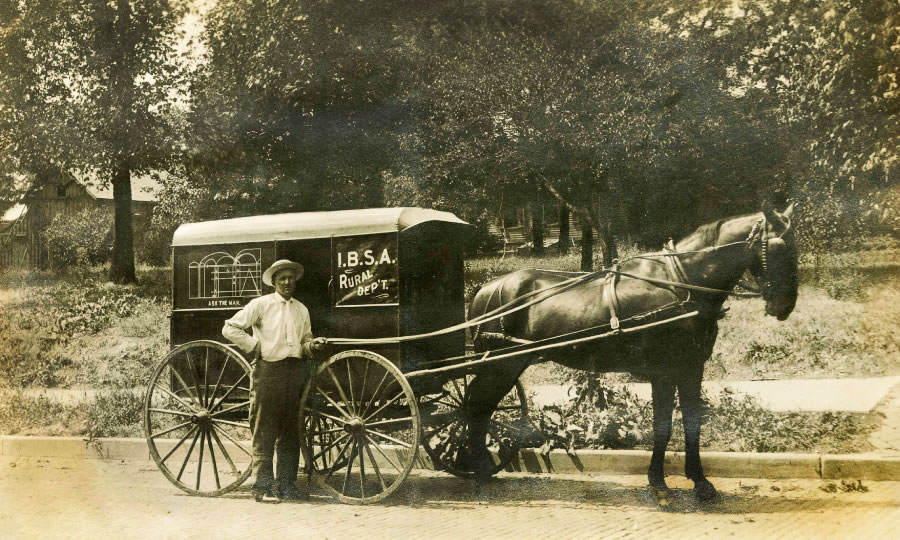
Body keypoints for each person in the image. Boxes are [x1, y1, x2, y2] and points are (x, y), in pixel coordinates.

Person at [222, 259, 326, 503]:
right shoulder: (261, 304)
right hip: (269, 372)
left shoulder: (301, 309)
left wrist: (312, 345)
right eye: (283, 279)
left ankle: (287, 486)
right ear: (274, 282)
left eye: (291, 278)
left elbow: (305, 341)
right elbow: (230, 328)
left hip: (295, 373)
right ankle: (262, 488)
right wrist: (254, 346)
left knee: (292, 431)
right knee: (265, 430)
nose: (288, 282)